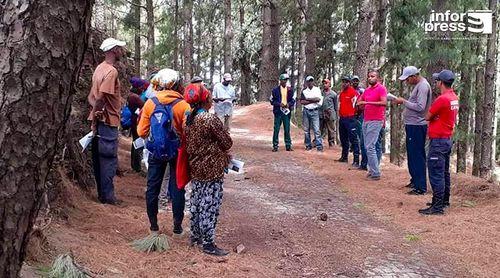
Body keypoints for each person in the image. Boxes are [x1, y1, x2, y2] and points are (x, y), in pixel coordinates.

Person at [137, 68, 192, 234]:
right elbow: (188, 131)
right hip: (177, 152)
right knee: (177, 188)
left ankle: (153, 226)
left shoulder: (150, 103)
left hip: (155, 151)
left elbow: (141, 132)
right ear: (176, 84)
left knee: (152, 187)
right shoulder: (183, 105)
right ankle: (177, 227)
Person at [184, 84, 233, 256]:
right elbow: (227, 142)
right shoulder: (209, 120)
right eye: (210, 97)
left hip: (196, 168)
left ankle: (195, 236)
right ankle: (208, 243)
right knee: (209, 205)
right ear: (205, 100)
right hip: (212, 169)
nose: (212, 99)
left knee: (197, 202)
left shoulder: (189, 119)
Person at [87, 38, 126, 205]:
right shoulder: (111, 72)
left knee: (98, 158)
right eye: (120, 48)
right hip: (108, 121)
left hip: (99, 119)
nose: (122, 51)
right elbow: (101, 97)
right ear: (114, 50)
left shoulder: (98, 69)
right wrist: (97, 118)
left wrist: (95, 114)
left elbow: (91, 97)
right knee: (108, 158)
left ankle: (102, 194)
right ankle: (108, 197)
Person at [419, 70, 458, 215]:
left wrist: (433, 118)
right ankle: (444, 200)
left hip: (439, 141)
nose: (435, 83)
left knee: (436, 173)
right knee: (444, 172)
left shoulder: (442, 99)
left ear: (441, 82)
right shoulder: (454, 97)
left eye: (437, 81)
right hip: (446, 139)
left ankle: (437, 206)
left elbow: (428, 116)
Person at [394, 66, 432, 195]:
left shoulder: (422, 86)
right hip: (412, 124)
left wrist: (404, 101)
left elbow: (421, 107)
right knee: (412, 154)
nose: (406, 82)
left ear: (414, 76)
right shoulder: (419, 85)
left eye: (407, 79)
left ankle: (420, 186)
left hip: (417, 125)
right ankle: (415, 180)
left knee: (417, 155)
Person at [356, 70, 387, 180]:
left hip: (376, 120)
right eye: (369, 76)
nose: (370, 78)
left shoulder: (381, 89)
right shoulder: (367, 90)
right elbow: (361, 101)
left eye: (372, 76)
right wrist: (360, 102)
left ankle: (375, 173)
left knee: (370, 146)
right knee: (366, 145)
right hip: (366, 119)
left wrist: (367, 103)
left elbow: (384, 102)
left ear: (377, 78)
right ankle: (372, 169)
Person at [337, 76, 360, 164]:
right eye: (343, 82)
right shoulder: (342, 93)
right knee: (343, 138)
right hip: (342, 118)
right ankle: (344, 157)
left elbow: (357, 105)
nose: (344, 83)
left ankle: (356, 159)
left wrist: (355, 115)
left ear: (349, 83)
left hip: (351, 119)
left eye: (346, 82)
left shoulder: (353, 93)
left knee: (353, 139)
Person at [270, 73, 295, 152]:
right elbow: (271, 100)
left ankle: (288, 145)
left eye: (286, 80)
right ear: (280, 81)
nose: (285, 81)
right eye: (284, 80)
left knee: (287, 129)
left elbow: (293, 100)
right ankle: (275, 145)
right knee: (276, 129)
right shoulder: (275, 90)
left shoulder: (290, 90)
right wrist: (278, 104)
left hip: (286, 112)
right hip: (278, 111)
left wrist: (289, 104)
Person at [128, 77, 147, 173]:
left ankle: (134, 165)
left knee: (135, 142)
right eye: (141, 87)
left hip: (134, 120)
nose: (142, 89)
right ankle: (137, 167)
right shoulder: (134, 97)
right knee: (138, 142)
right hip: (136, 121)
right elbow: (145, 106)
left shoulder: (131, 95)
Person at [300, 76, 323, 152]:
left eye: (311, 81)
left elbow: (318, 99)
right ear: (306, 82)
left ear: (313, 81)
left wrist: (308, 99)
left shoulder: (317, 89)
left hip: (315, 111)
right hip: (306, 111)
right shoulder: (304, 91)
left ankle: (319, 146)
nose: (310, 82)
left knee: (316, 129)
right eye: (309, 81)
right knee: (306, 130)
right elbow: (302, 102)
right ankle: (308, 145)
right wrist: (313, 100)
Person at [352, 75, 367, 170]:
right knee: (354, 139)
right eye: (353, 81)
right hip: (352, 116)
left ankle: (364, 163)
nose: (355, 82)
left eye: (356, 81)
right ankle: (356, 159)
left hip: (360, 116)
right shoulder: (349, 91)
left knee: (361, 139)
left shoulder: (362, 91)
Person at [320, 79, 338, 147]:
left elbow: (335, 106)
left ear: (329, 84)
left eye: (326, 83)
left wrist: (336, 115)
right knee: (321, 128)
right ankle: (319, 142)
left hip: (330, 114)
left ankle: (331, 143)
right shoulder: (321, 93)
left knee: (331, 129)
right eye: (323, 83)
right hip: (321, 113)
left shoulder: (333, 94)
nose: (324, 84)